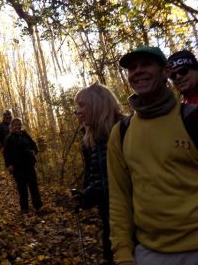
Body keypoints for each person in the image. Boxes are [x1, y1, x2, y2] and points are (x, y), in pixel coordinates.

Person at [107, 46, 198, 265]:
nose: (138, 71)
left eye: (146, 64)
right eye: (132, 68)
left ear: (165, 72)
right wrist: (123, 253)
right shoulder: (121, 133)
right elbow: (119, 199)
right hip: (150, 252)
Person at [72, 83, 124, 264]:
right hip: (110, 215)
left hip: (133, 216)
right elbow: (97, 177)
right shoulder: (91, 138)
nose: (77, 111)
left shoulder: (125, 128)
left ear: (97, 104)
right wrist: (85, 195)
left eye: (81, 105)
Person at [3, 117, 43, 213]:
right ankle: (24, 209)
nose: (18, 126)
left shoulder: (25, 135)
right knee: (22, 188)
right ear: (11, 127)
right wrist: (9, 165)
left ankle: (38, 206)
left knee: (33, 186)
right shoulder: (9, 138)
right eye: (15, 125)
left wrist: (34, 151)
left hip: (29, 165)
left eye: (19, 124)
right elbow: (6, 154)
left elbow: (34, 145)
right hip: (18, 168)